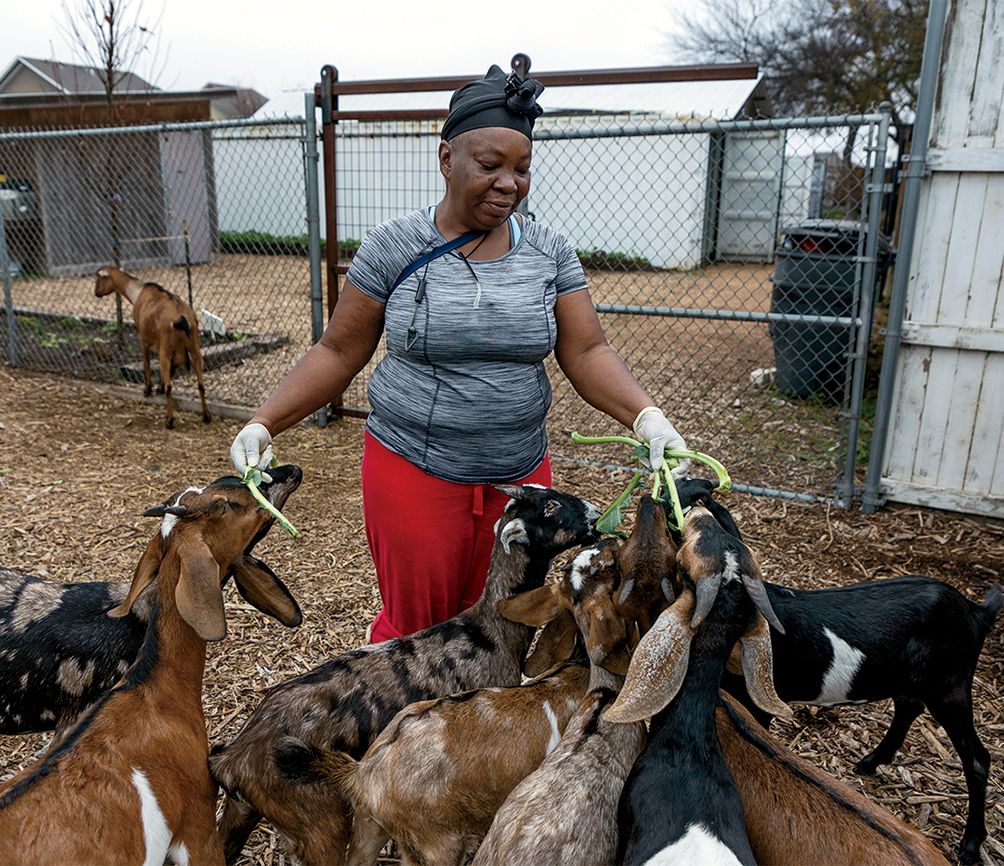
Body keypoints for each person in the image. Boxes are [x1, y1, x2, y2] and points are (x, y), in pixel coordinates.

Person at [229, 61, 687, 643]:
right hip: (415, 474)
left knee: (508, 626)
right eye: (491, 165)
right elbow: (339, 351)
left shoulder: (548, 252)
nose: (509, 183)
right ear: (447, 158)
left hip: (521, 483)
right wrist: (265, 424)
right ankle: (402, 733)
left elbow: (588, 349)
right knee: (418, 635)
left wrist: (646, 417)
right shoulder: (394, 245)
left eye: (522, 169)